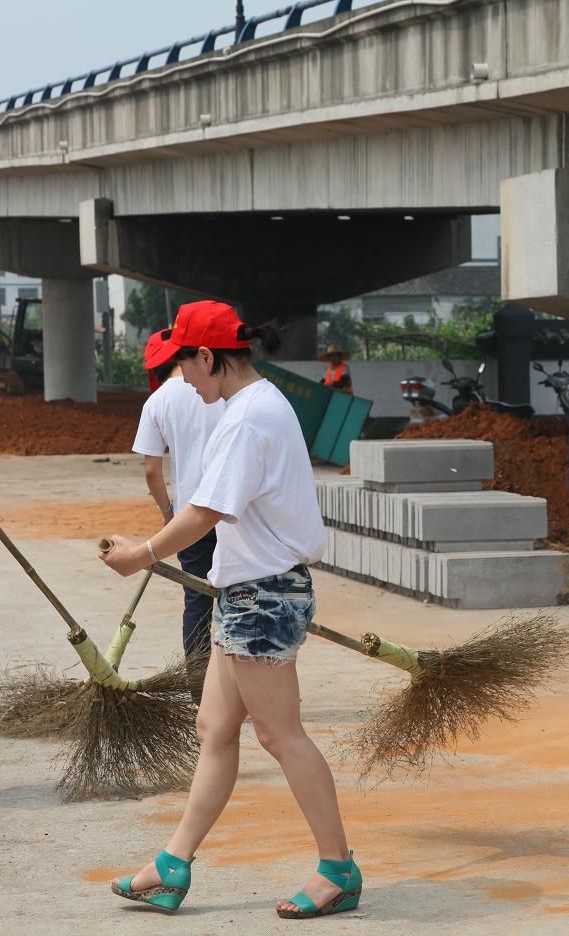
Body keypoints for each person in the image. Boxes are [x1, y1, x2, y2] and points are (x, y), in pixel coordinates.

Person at [101, 300, 360, 919]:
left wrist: (142, 554)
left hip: (263, 596)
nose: (183, 379)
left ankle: (337, 869)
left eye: (185, 365)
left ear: (208, 357)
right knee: (214, 729)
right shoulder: (257, 405)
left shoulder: (247, 418)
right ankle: (172, 865)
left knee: (280, 734)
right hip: (246, 592)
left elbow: (204, 512)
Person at [132, 326, 226, 666]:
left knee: (197, 601)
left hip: (190, 517)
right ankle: (237, 682)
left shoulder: (157, 401)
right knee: (237, 599)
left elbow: (151, 470)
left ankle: (199, 685)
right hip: (231, 512)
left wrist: (168, 513)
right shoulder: (222, 389)